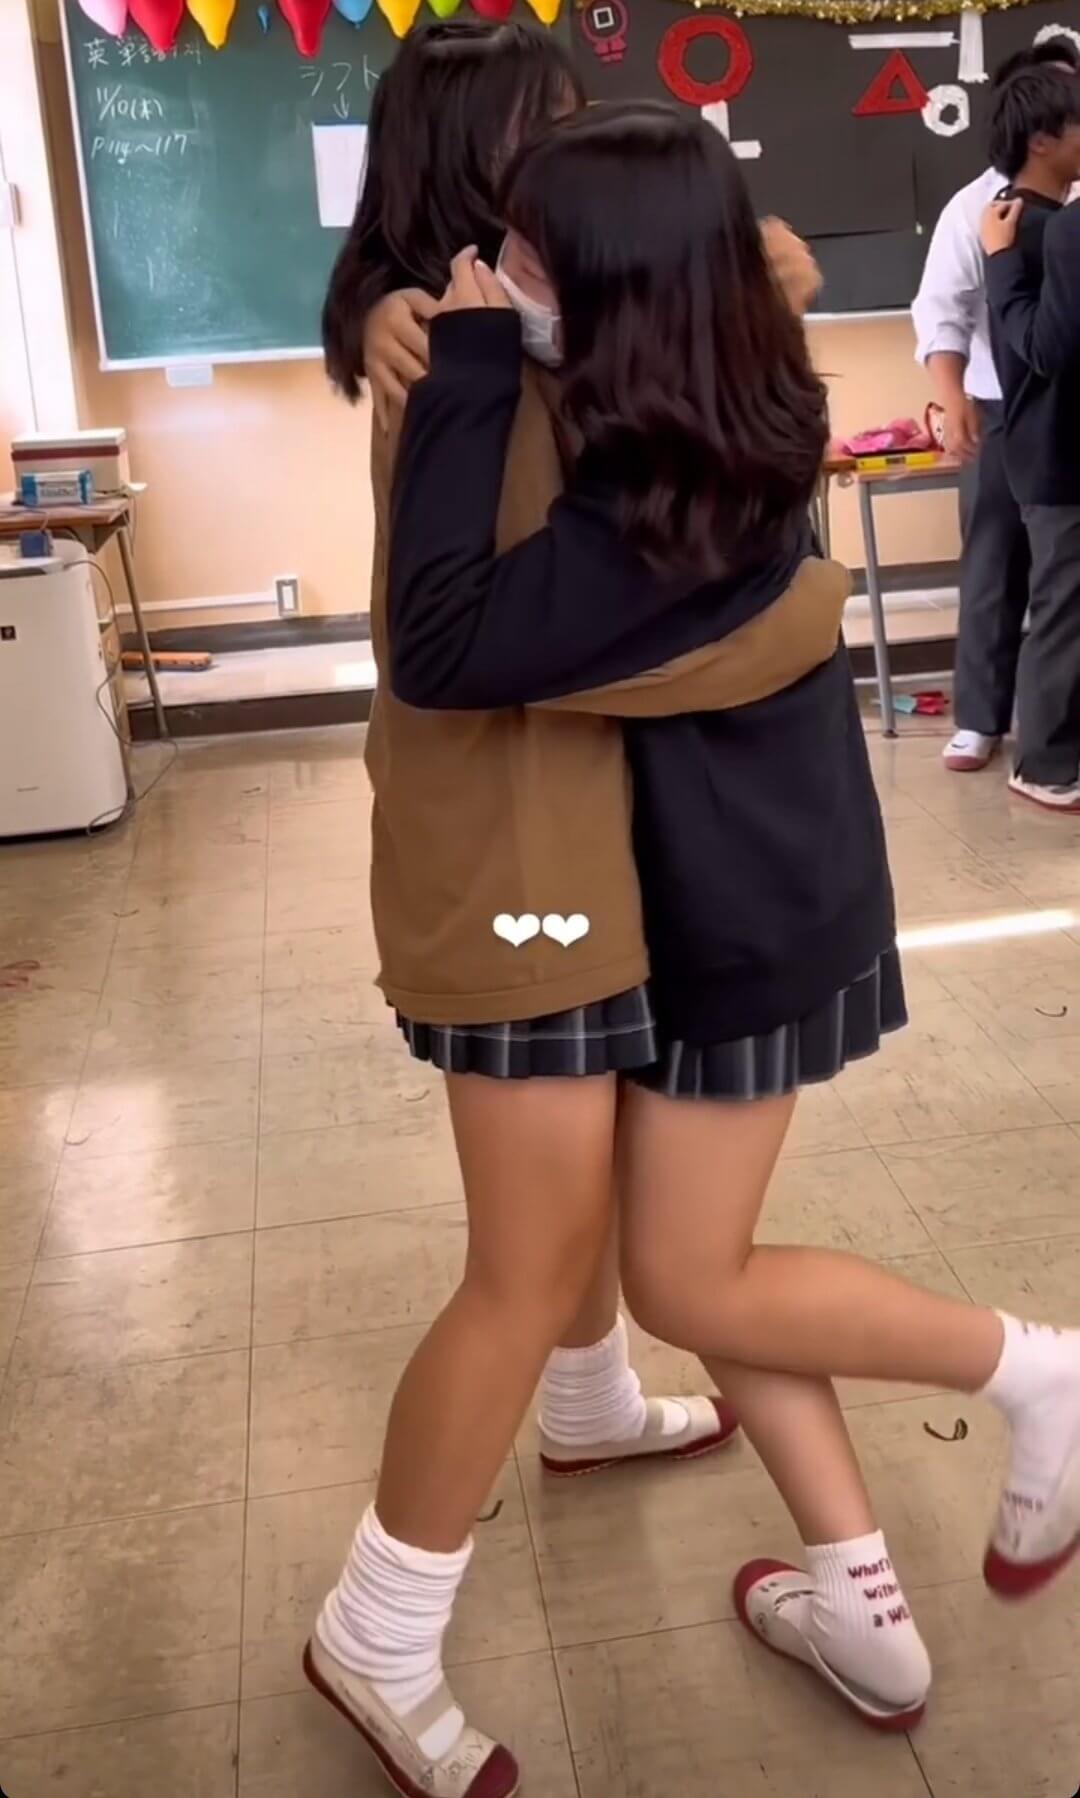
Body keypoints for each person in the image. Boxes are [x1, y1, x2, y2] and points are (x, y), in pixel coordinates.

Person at [380, 97, 1080, 1789]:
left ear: (617, 293)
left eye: (525, 251)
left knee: (692, 1276)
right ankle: (864, 1606)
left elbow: (444, 644)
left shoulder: (662, 489)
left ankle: (1035, 1368)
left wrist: (464, 362)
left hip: (746, 912)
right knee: (702, 1258)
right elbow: (725, 277)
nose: (491, 268)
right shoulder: (725, 382)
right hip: (731, 890)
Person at [308, 28, 848, 1798]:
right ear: (482, 177)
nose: (594, 160)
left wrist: (748, 283)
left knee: (600, 1173)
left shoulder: (534, 329)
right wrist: (802, 607)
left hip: (580, 840)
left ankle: (595, 1404)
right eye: (556, 140)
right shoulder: (451, 343)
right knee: (525, 1258)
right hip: (513, 864)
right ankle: (377, 1625)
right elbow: (512, 640)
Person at [912, 36, 1080, 775]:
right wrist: (951, 398)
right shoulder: (975, 208)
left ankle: (1053, 728)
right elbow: (941, 309)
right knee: (994, 559)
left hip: (1065, 407)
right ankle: (980, 719)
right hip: (999, 402)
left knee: (1064, 579)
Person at [978, 63, 1080, 810]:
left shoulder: (1018, 222)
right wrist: (1002, 267)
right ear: (1042, 140)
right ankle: (1043, 763)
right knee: (1063, 608)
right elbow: (1042, 347)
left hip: (1051, 445)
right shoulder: (1034, 228)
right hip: (1056, 450)